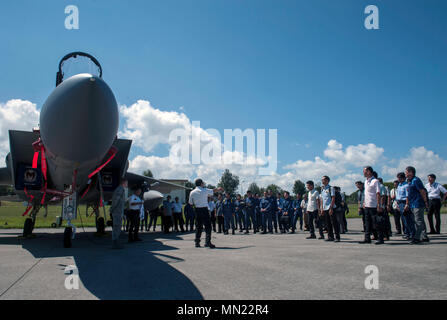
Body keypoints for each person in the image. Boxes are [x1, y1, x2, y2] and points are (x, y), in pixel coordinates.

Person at [188, 179, 223, 248]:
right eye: (203, 183)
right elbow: (213, 190)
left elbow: (190, 203)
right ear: (201, 183)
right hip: (204, 210)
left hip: (197, 210)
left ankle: (197, 242)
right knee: (208, 227)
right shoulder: (204, 190)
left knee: (198, 227)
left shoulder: (192, 192)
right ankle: (207, 242)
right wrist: (219, 189)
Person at [359, 167, 384, 245]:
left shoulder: (375, 181)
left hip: (374, 205)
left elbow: (378, 193)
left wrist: (379, 205)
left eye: (364, 171)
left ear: (369, 172)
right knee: (367, 223)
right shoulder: (366, 181)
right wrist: (363, 203)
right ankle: (367, 238)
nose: (363, 173)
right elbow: (366, 194)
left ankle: (380, 238)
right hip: (367, 205)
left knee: (376, 223)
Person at [405, 166, 430, 244]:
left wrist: (425, 201)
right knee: (420, 220)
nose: (405, 174)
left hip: (418, 203)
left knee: (418, 221)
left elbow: (422, 191)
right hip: (413, 203)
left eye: (406, 172)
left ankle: (417, 237)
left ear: (411, 172)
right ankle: (424, 236)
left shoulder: (416, 180)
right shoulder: (410, 181)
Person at [320, 176, 340, 242]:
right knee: (327, 223)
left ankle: (337, 237)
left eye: (324, 180)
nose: (322, 181)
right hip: (325, 208)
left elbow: (333, 198)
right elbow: (322, 199)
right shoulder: (322, 189)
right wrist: (322, 208)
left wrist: (331, 208)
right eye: (322, 180)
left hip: (330, 207)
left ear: (327, 180)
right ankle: (330, 236)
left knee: (334, 223)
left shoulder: (331, 188)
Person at [110, 178, 128, 249]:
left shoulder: (121, 189)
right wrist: (112, 209)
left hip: (119, 212)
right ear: (123, 182)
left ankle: (116, 242)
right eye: (126, 183)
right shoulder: (120, 190)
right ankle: (115, 243)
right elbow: (115, 201)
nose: (127, 184)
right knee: (116, 227)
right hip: (117, 212)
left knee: (118, 227)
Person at [396, 172, 414, 240]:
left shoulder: (406, 185)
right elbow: (398, 195)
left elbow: (407, 196)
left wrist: (407, 204)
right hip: (399, 202)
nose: (399, 179)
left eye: (400, 178)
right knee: (403, 220)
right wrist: (397, 204)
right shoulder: (399, 185)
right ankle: (407, 233)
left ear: (403, 178)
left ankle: (411, 234)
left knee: (408, 220)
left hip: (404, 202)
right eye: (398, 178)